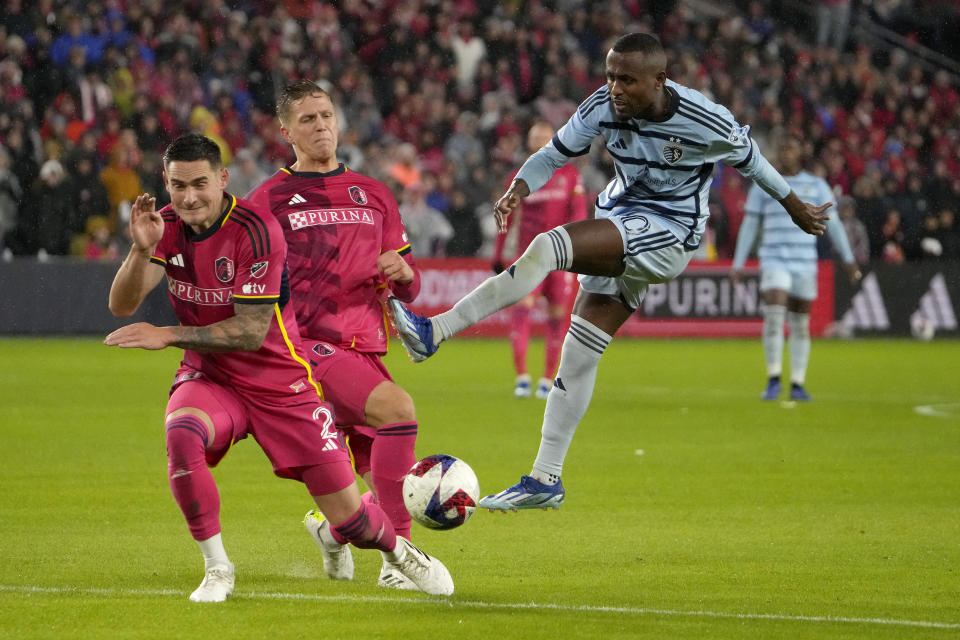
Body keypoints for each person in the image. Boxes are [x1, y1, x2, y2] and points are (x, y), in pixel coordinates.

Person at [388, 33, 829, 511]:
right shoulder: (602, 104)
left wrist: (794, 206)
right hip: (623, 217)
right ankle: (544, 481)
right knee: (578, 355)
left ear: (660, 80)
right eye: (611, 76)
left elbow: (755, 162)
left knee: (548, 245)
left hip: (669, 232)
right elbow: (554, 153)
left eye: (627, 80)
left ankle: (436, 330)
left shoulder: (704, 119)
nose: (615, 88)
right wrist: (518, 187)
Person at [104, 133, 453, 601]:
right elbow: (122, 306)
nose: (188, 197)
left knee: (353, 520)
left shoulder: (255, 229)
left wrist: (166, 334)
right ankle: (217, 567)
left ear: (223, 179)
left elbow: (249, 332)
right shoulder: (165, 225)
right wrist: (140, 250)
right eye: (177, 185)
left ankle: (399, 553)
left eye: (199, 183)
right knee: (182, 434)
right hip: (213, 377)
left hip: (280, 381)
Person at [246, 81, 426, 591]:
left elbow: (410, 288)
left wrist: (405, 274)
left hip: (365, 347)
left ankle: (332, 532)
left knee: (366, 481)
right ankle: (402, 563)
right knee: (398, 410)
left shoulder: (375, 194)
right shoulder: (267, 200)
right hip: (307, 349)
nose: (321, 125)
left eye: (326, 115)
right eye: (308, 119)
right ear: (286, 132)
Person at [730, 137, 861, 402]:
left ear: (800, 151)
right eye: (783, 147)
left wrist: (848, 258)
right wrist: (738, 262)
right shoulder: (764, 183)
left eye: (792, 146)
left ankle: (798, 383)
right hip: (774, 258)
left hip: (804, 261)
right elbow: (750, 225)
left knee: (801, 325)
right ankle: (774, 378)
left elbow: (833, 224)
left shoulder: (816, 185)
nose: (787, 151)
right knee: (775, 315)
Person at [491, 120, 588, 399]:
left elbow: (579, 213)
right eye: (537, 137)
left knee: (558, 319)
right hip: (528, 258)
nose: (542, 141)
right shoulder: (520, 177)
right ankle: (522, 377)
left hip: (559, 260)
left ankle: (547, 380)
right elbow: (506, 216)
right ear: (530, 142)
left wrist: (576, 249)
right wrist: (498, 253)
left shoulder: (570, 175)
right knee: (522, 311)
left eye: (547, 137)